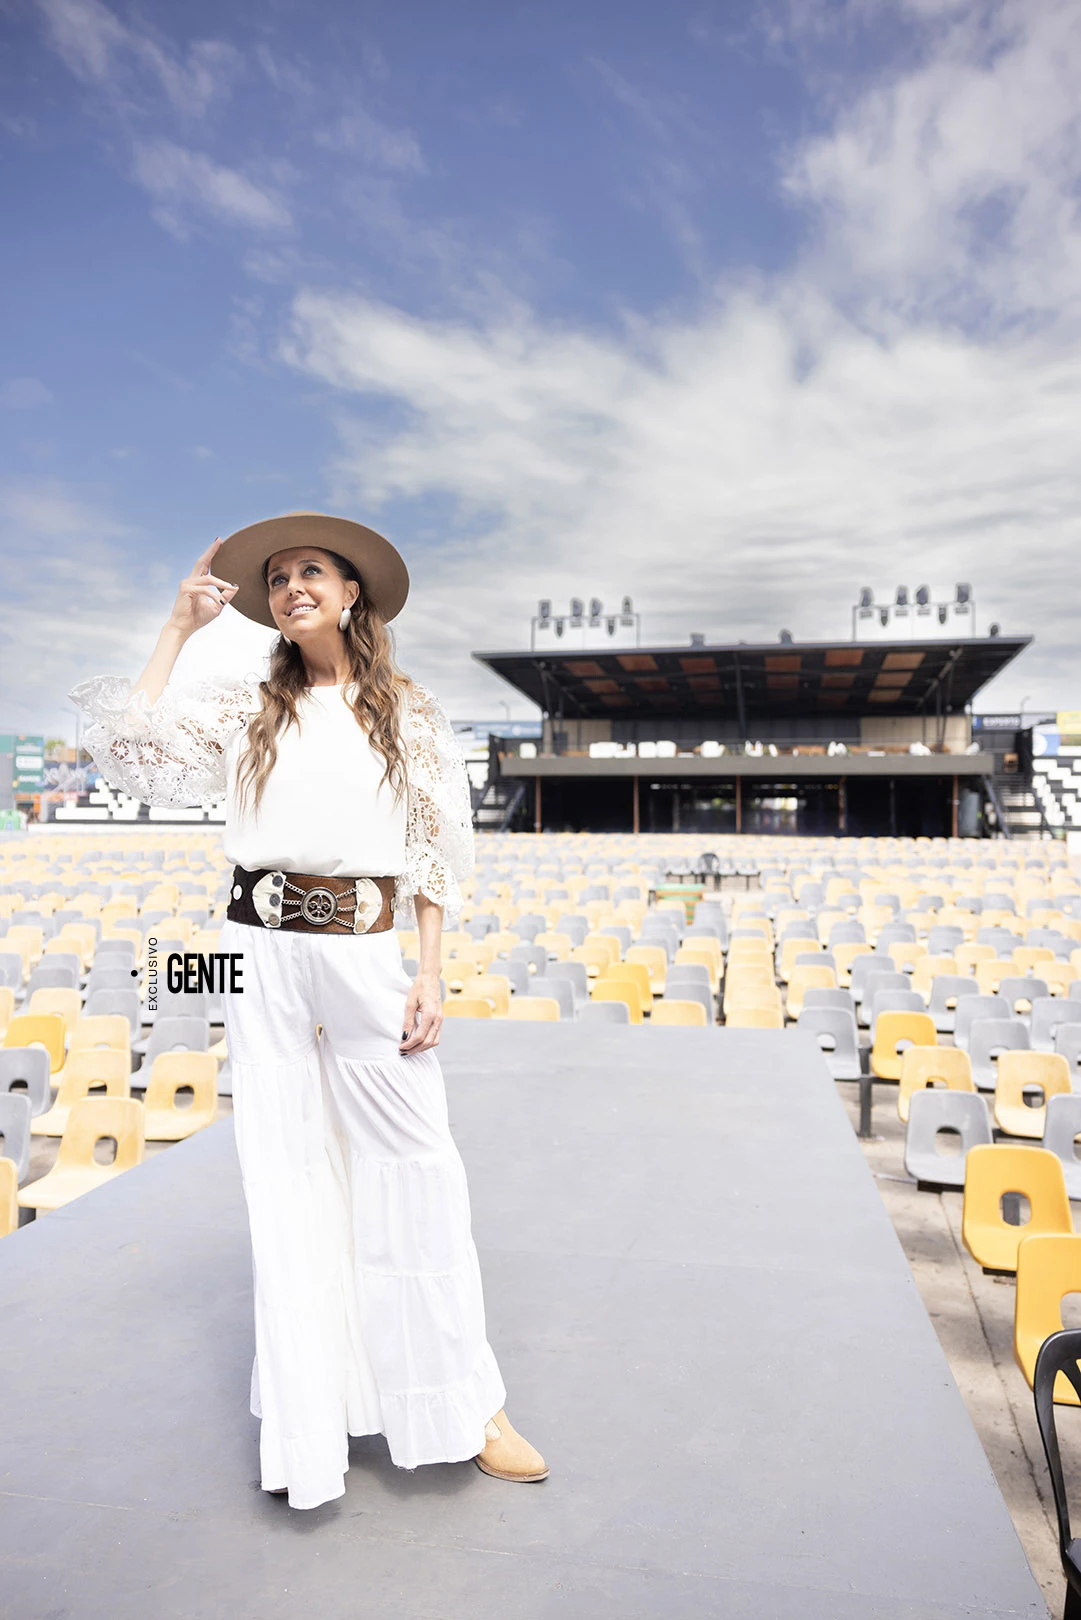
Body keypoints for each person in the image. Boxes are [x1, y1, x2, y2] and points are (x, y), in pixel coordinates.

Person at [70, 510, 548, 1509]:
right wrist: (175, 629)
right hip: (252, 949)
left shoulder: (406, 708)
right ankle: (308, 1423)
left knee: (416, 1167)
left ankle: (469, 1405)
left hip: (368, 947)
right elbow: (125, 749)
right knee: (283, 1175)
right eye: (278, 576)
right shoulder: (246, 706)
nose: (292, 585)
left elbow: (433, 847)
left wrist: (430, 969)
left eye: (312, 571)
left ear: (351, 593)